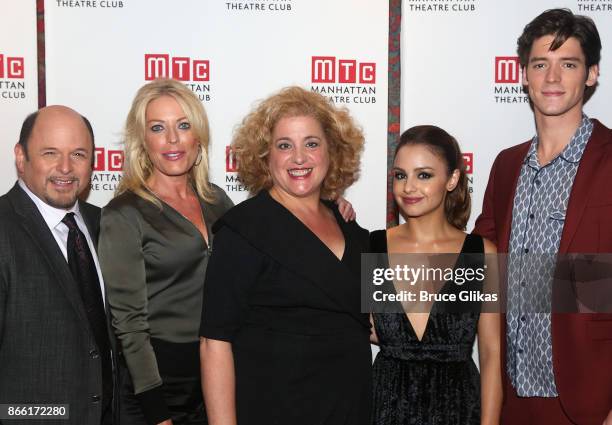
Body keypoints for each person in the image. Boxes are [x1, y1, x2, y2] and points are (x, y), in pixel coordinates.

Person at [199, 86, 371, 425]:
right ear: (266, 156)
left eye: (311, 143)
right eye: (284, 145)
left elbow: (379, 324)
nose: (299, 158)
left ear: (331, 151)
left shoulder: (351, 228)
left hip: (352, 408)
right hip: (273, 410)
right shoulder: (243, 230)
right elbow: (213, 343)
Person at [473, 8, 612, 425]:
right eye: (540, 65)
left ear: (591, 74)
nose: (552, 78)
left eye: (567, 64)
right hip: (511, 400)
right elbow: (482, 267)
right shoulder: (505, 166)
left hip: (589, 403)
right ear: (523, 75)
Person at [98, 79, 234, 425]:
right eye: (158, 128)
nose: (172, 140)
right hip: (156, 387)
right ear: (143, 140)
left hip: (217, 373)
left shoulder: (218, 201)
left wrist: (324, 205)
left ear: (198, 136)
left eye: (183, 125)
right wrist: (158, 412)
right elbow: (129, 325)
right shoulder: (124, 213)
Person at [370, 125, 501, 425]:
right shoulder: (371, 248)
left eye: (424, 175)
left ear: (452, 179)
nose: (408, 187)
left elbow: (492, 355)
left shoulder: (481, 255)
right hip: (386, 410)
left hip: (459, 409)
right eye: (400, 175)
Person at [0, 106, 116, 425]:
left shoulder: (106, 224)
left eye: (78, 154)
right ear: (21, 158)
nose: (65, 168)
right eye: (50, 153)